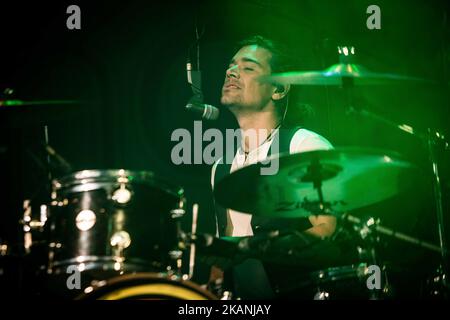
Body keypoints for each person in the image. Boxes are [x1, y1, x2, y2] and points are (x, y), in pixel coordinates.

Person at [209, 35, 336, 299]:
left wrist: (259, 248)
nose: (231, 71)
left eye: (248, 67)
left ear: (279, 88)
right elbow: (225, 251)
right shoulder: (220, 167)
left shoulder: (304, 147)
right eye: (231, 65)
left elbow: (327, 230)